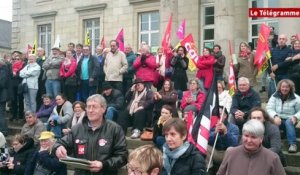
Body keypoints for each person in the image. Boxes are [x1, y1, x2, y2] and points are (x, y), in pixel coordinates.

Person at [55, 94, 128, 175]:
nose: (90, 110)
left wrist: (104, 164)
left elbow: (123, 157)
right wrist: (58, 147)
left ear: (103, 109)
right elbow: (60, 143)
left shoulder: (115, 129)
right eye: (88, 107)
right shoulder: (77, 129)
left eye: (94, 107)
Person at [217, 119, 286, 175]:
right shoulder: (231, 153)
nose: (249, 140)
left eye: (253, 137)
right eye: (246, 136)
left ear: (261, 139)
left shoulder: (272, 158)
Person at [266, 79, 300, 153]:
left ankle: (292, 144)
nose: (284, 89)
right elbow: (269, 108)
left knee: (289, 122)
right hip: (278, 118)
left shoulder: (296, 98)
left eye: (287, 87)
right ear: (280, 87)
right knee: (272, 123)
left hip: (290, 119)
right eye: (283, 87)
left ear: (290, 88)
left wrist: (295, 117)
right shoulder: (274, 96)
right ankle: (274, 144)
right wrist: (275, 116)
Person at [206, 107, 239, 173]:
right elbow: (207, 140)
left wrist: (225, 132)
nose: (218, 117)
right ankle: (209, 170)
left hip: (227, 153)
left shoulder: (233, 127)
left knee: (230, 149)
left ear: (225, 116)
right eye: (216, 115)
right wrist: (214, 133)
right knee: (205, 146)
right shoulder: (210, 126)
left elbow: (234, 143)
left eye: (220, 114)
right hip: (215, 152)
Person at [10, 53, 24, 122]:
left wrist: (16, 74)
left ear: (21, 60)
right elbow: (9, 75)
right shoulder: (12, 66)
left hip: (20, 84)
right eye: (15, 59)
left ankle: (21, 116)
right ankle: (14, 115)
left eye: (18, 59)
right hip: (13, 85)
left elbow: (22, 75)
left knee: (21, 100)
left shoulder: (23, 65)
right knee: (13, 101)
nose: (16, 60)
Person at [0, 58, 10, 136]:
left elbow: (2, 83)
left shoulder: (3, 70)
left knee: (1, 114)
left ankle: (4, 131)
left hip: (2, 96)